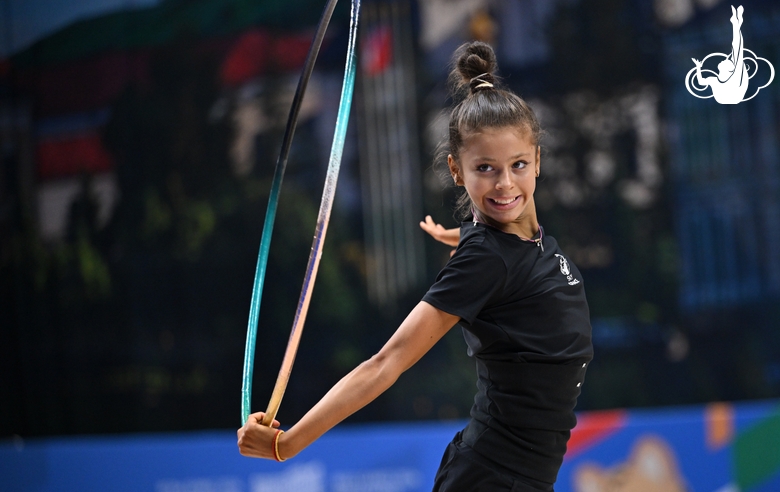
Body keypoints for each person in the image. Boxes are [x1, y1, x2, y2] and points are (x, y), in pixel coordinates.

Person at [237, 41, 593, 492]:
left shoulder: (518, 246)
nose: (505, 183)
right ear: (456, 170)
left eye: (517, 164)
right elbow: (386, 363)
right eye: (485, 168)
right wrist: (284, 445)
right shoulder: (485, 260)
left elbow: (504, 258)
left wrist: (463, 236)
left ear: (538, 162)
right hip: (492, 479)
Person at [692, 5, 747, 104]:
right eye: (729, 60)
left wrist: (698, 67)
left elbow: (737, 48)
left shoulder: (731, 79)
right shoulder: (721, 80)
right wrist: (736, 25)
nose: (726, 59)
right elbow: (737, 49)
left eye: (728, 61)